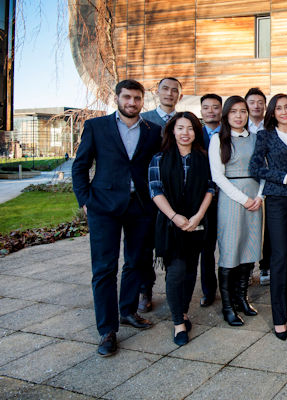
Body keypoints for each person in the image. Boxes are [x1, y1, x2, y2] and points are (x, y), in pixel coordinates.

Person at [72, 79, 162, 356]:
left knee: (136, 263)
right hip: (104, 207)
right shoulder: (96, 127)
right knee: (104, 269)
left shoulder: (153, 131)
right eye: (127, 97)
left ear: (142, 101)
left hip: (140, 207)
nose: (132, 103)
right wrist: (85, 201)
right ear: (117, 98)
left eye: (137, 98)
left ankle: (127, 311)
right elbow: (80, 166)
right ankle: (107, 330)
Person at [148, 112, 215, 346]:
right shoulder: (159, 158)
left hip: (196, 223)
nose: (185, 133)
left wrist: (197, 217)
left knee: (189, 272)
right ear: (172, 131)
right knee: (175, 273)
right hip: (170, 224)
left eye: (190, 128)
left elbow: (210, 188)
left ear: (196, 132)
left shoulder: (203, 158)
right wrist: (175, 217)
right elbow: (155, 191)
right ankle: (178, 323)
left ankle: (184, 312)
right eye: (180, 128)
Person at [249, 94, 287, 341]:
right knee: (280, 257)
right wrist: (284, 177)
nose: (284, 111)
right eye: (279, 108)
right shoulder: (265, 136)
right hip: (277, 202)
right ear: (272, 112)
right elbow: (255, 168)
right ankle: (278, 318)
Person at [208, 95, 264, 328]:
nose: (239, 116)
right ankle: (228, 305)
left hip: (256, 198)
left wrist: (260, 196)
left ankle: (242, 297)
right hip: (232, 199)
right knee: (231, 250)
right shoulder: (218, 140)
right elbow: (217, 176)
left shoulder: (256, 138)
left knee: (250, 247)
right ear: (226, 115)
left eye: (243, 111)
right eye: (234, 112)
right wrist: (243, 199)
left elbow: (264, 169)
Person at [139, 77, 184, 312]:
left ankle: (172, 289)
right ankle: (145, 289)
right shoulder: (144, 120)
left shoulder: (183, 121)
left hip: (176, 193)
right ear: (157, 92)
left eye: (174, 90)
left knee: (172, 243)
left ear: (180, 95)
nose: (169, 93)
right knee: (145, 244)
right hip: (148, 193)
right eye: (165, 89)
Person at [198, 93, 223, 308]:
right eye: (206, 108)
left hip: (226, 197)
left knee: (228, 245)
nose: (211, 111)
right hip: (202, 200)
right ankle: (208, 290)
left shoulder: (230, 133)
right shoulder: (194, 134)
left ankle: (231, 286)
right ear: (201, 111)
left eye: (215, 107)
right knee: (206, 249)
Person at [245, 87, 271, 285]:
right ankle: (246, 268)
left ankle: (265, 266)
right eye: (252, 102)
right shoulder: (238, 126)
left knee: (268, 228)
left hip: (268, 182)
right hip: (244, 183)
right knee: (248, 228)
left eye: (260, 102)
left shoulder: (270, 126)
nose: (256, 105)